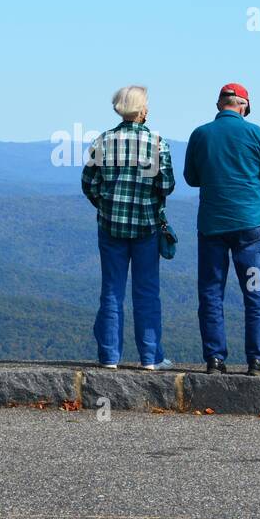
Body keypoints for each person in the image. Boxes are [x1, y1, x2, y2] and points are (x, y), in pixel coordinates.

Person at [182, 82, 260, 375]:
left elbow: (191, 177)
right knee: (254, 291)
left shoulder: (200, 134)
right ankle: (257, 360)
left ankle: (215, 359)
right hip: (249, 227)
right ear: (244, 106)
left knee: (212, 292)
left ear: (219, 105)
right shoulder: (255, 133)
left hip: (212, 226)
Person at [81, 85, 176, 370]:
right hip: (146, 226)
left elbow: (89, 183)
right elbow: (166, 185)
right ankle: (151, 358)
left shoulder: (103, 141)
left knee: (111, 290)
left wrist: (106, 205)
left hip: (110, 226)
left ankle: (110, 357)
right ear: (141, 109)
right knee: (147, 291)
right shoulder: (156, 142)